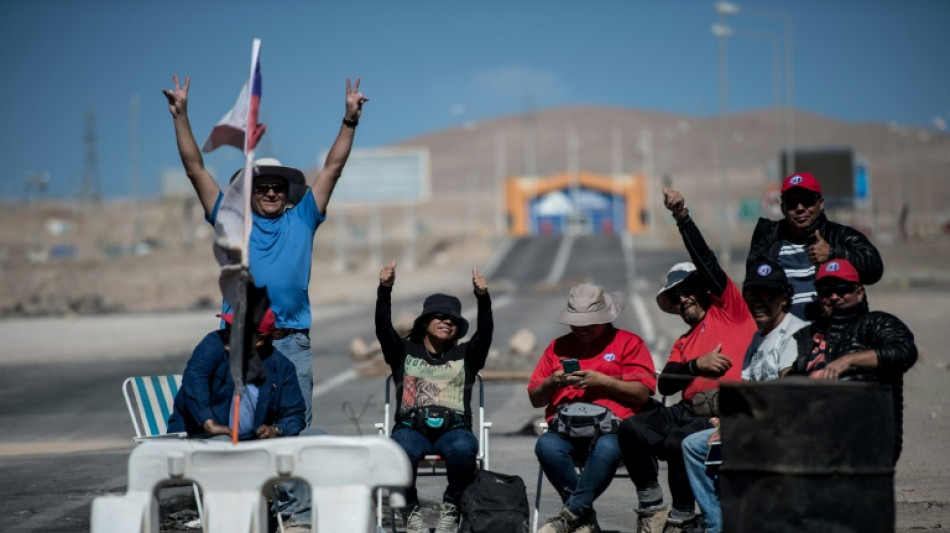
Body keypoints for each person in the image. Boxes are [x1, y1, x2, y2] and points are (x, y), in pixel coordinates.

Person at [163, 74, 369, 428]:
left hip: (292, 343)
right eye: (262, 187)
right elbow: (194, 169)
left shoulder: (303, 218)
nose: (271, 193)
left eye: (277, 188)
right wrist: (180, 116)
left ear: (287, 193)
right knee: (238, 424)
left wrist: (349, 120)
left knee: (293, 428)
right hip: (240, 344)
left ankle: (289, 487)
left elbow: (333, 169)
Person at [618, 188, 757, 533]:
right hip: (687, 408)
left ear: (704, 290)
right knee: (631, 429)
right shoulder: (683, 342)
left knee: (677, 442)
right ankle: (651, 504)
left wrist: (682, 217)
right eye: (675, 297)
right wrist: (696, 366)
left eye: (687, 290)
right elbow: (665, 383)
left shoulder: (731, 312)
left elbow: (707, 262)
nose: (682, 299)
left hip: (725, 407)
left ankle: (682, 515)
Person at [679, 258, 809, 533]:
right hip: (755, 425)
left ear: (783, 299)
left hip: (784, 428)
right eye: (752, 296)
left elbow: (787, 389)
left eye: (767, 295)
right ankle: (717, 525)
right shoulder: (759, 338)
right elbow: (744, 389)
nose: (758, 302)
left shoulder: (795, 333)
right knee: (693, 445)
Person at [529, 283, 657, 533]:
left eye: (589, 322)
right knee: (546, 446)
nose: (581, 328)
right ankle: (584, 517)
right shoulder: (557, 347)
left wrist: (604, 381)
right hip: (565, 427)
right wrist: (552, 382)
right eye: (576, 322)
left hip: (613, 428)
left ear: (605, 318)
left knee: (608, 448)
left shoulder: (628, 343)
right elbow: (535, 398)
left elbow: (642, 393)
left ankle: (571, 514)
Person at [375, 261, 493, 533]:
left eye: (453, 319)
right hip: (410, 429)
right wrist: (385, 290)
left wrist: (483, 299)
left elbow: (485, 335)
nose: (447, 322)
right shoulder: (403, 352)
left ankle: (451, 507)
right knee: (399, 449)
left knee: (465, 448)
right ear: (426, 321)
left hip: (453, 430)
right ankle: (410, 508)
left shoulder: (467, 355)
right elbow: (383, 328)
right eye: (440, 316)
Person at [788, 258, 918, 463]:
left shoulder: (875, 323)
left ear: (859, 292)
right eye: (826, 291)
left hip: (865, 441)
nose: (834, 296)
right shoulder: (806, 336)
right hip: (811, 442)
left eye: (842, 289)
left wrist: (848, 360)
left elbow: (904, 352)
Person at [746, 172, 884, 319]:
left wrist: (833, 253)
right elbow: (753, 288)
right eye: (792, 203)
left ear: (821, 204)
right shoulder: (769, 240)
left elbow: (874, 269)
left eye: (807, 201)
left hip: (833, 332)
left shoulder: (840, 236)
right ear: (783, 208)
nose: (800, 208)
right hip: (785, 337)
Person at [166, 309, 305, 440]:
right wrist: (207, 422)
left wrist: (275, 430)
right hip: (198, 435)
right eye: (228, 327)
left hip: (250, 444)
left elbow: (294, 415)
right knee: (223, 441)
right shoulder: (214, 343)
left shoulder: (282, 367)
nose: (227, 334)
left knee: (315, 435)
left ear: (259, 340)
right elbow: (195, 376)